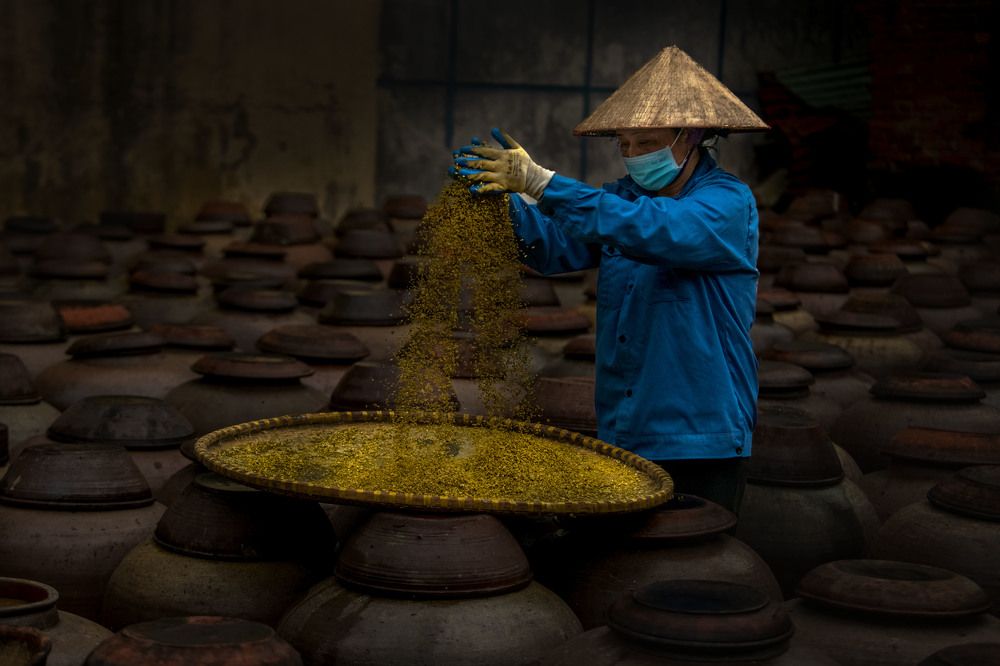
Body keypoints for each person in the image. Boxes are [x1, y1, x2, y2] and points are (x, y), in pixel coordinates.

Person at [450, 46, 769, 512]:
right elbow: (558, 246)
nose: (633, 156)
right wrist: (504, 203)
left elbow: (656, 229)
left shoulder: (727, 204)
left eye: (647, 144)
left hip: (701, 437)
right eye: (624, 144)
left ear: (692, 136)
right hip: (625, 428)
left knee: (692, 565)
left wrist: (544, 183)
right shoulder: (621, 201)